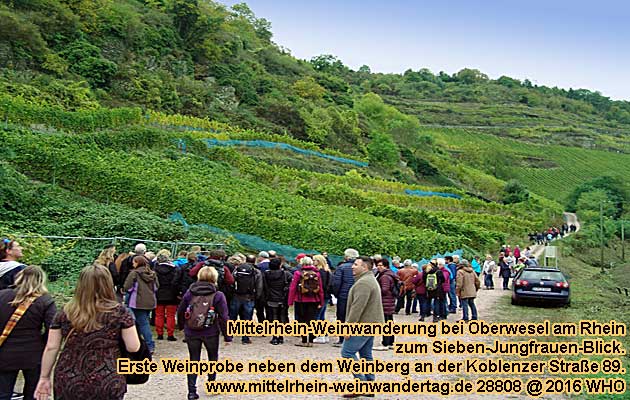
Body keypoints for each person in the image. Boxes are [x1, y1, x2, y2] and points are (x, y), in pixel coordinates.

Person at [34, 264, 141, 400]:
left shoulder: (65, 312)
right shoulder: (120, 312)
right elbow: (133, 346)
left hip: (69, 375)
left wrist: (44, 377)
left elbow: (51, 347)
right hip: (107, 375)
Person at [0, 266, 56, 400]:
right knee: (33, 394)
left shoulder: (2, 295)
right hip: (34, 354)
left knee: (3, 393)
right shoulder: (45, 301)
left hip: (4, 352)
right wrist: (42, 343)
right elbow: (52, 328)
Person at [177, 266, 232, 400]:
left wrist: (182, 326)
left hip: (192, 330)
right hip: (210, 331)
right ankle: (211, 384)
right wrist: (227, 335)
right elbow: (224, 317)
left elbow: (181, 310)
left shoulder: (190, 293)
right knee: (212, 358)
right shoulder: (218, 295)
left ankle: (191, 391)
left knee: (193, 359)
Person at [340, 256, 384, 398]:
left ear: (364, 267)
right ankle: (369, 385)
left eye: (355, 264)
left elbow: (357, 308)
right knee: (366, 354)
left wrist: (349, 327)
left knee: (347, 353)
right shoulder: (369, 279)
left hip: (362, 324)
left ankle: (361, 384)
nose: (352, 266)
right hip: (370, 323)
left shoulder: (363, 283)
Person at [124, 256, 158, 353]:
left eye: (134, 262)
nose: (132, 264)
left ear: (138, 263)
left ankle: (149, 344)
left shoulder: (134, 273)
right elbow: (156, 287)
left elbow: (127, 286)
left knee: (143, 323)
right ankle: (141, 343)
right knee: (143, 321)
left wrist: (131, 291)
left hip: (137, 302)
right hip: (150, 301)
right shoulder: (152, 274)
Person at [288, 257, 324, 347]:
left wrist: (290, 301)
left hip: (301, 300)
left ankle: (304, 340)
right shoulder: (317, 274)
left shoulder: (298, 273)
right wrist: (321, 301)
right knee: (312, 320)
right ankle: (311, 340)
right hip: (314, 299)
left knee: (301, 320)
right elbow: (320, 288)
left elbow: (293, 288)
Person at [230, 256, 262, 344]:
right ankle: (245, 338)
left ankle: (229, 335)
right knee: (247, 318)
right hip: (249, 297)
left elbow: (232, 281)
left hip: (236, 295)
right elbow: (259, 286)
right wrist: (256, 297)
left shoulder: (237, 269)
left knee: (233, 316)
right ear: (254, 261)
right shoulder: (256, 271)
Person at [263, 258, 292, 345]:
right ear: (280, 265)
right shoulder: (286, 274)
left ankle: (275, 337)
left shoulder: (266, 274)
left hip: (270, 298)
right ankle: (281, 336)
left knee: (273, 318)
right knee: (282, 317)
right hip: (283, 298)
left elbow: (263, 286)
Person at [154, 250, 182, 341]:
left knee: (159, 315)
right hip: (172, 295)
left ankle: (159, 334)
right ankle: (170, 334)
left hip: (158, 294)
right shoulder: (175, 269)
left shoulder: (154, 269)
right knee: (171, 315)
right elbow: (176, 283)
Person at [332, 249, 357, 347]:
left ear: (346, 257)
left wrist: (336, 294)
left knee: (341, 317)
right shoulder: (360, 267)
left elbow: (336, 283)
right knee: (353, 316)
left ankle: (342, 339)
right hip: (356, 295)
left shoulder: (341, 267)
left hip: (343, 295)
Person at [373, 259, 397, 351]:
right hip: (389, 301)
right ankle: (390, 341)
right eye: (378, 265)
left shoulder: (384, 277)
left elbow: (384, 289)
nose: (379, 267)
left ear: (386, 266)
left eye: (381, 265)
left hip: (385, 302)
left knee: (386, 323)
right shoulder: (390, 274)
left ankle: (385, 343)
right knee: (389, 322)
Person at [312, 255, 333, 344]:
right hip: (326, 296)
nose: (313, 262)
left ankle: (319, 335)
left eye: (314, 260)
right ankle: (324, 334)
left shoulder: (320, 272)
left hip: (321, 296)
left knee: (317, 316)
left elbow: (322, 286)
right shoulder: (327, 271)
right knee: (321, 316)